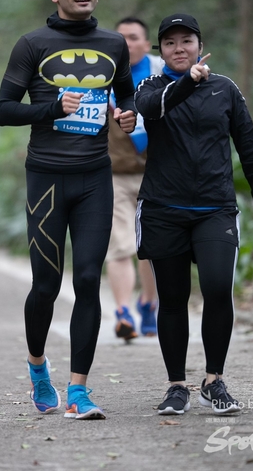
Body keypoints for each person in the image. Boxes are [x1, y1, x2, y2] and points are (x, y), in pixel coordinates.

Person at [0, 0, 136, 420]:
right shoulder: (32, 44)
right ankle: (38, 367)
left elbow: (126, 93)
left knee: (89, 280)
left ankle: (79, 390)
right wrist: (52, 109)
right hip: (47, 179)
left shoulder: (113, 44)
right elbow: (3, 110)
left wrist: (128, 113)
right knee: (46, 286)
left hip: (95, 178)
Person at [134, 13, 253, 416]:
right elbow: (152, 109)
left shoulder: (225, 89)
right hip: (163, 210)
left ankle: (213, 381)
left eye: (186, 40)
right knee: (172, 298)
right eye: (170, 43)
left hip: (215, 209)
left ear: (200, 45)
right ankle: (176, 386)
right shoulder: (151, 86)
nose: (179, 48)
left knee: (217, 288)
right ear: (161, 51)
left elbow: (249, 149)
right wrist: (188, 81)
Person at [106, 17, 161, 340]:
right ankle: (123, 312)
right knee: (120, 245)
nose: (127, 43)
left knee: (151, 246)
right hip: (115, 173)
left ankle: (148, 303)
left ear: (146, 43)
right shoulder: (102, 72)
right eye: (121, 38)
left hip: (157, 173)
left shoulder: (162, 71)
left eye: (134, 37)